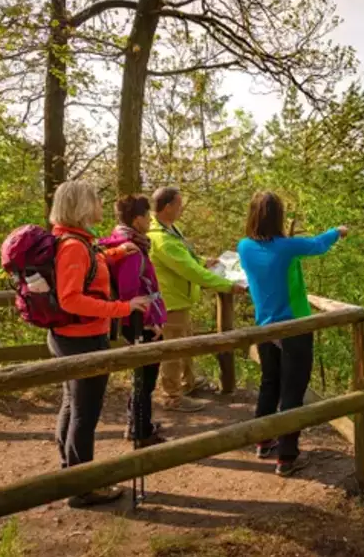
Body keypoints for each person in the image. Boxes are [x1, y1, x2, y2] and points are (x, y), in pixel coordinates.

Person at [48, 181, 150, 508]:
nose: (100, 205)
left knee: (72, 403)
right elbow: (70, 299)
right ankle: (83, 487)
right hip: (82, 340)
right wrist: (122, 308)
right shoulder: (74, 245)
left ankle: (71, 472)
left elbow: (91, 264)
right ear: (81, 206)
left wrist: (118, 252)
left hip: (71, 339)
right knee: (84, 413)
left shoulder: (75, 240)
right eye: (95, 200)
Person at [238, 191, 348, 477]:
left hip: (265, 326)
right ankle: (287, 456)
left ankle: (263, 441)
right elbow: (318, 244)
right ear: (278, 217)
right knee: (292, 391)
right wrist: (337, 231)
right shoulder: (286, 247)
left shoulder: (244, 247)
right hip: (295, 327)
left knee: (269, 383)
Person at [148, 186, 243, 412]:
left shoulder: (169, 229)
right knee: (173, 350)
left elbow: (187, 258)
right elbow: (190, 271)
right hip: (171, 303)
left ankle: (186, 383)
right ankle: (172, 396)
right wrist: (227, 286)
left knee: (185, 344)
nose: (182, 209)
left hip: (180, 300)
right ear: (168, 206)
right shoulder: (162, 240)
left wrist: (202, 260)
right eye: (179, 205)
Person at [100, 195, 167, 447]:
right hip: (140, 322)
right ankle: (140, 432)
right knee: (145, 378)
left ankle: (139, 424)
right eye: (148, 216)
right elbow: (131, 293)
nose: (151, 220)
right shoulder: (131, 249)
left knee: (142, 376)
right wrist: (151, 321)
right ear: (137, 219)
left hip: (136, 320)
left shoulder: (121, 241)